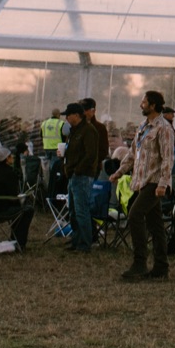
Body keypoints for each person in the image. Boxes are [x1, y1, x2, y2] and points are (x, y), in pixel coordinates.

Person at [114, 89, 174, 281]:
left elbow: (167, 157)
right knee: (156, 226)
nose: (141, 104)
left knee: (135, 214)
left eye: (144, 102)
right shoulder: (143, 127)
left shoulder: (164, 128)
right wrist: (120, 171)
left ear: (153, 105)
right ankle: (161, 267)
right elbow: (133, 152)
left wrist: (163, 183)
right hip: (142, 181)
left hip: (155, 182)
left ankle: (140, 263)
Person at [61, 102, 100, 253]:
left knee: (81, 210)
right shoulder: (74, 131)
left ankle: (84, 244)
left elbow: (90, 155)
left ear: (76, 115)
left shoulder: (88, 131)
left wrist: (77, 170)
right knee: (73, 211)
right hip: (73, 176)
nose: (66, 118)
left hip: (82, 176)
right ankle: (76, 240)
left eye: (68, 115)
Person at [0, 145, 35, 249]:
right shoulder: (9, 174)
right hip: (2, 210)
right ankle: (19, 242)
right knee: (28, 210)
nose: (12, 158)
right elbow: (13, 195)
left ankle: (15, 238)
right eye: (10, 157)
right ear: (6, 159)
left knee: (21, 209)